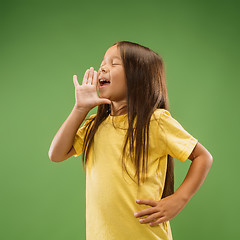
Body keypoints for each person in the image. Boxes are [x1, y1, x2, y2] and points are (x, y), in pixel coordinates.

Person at [48, 41, 213, 240]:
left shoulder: (155, 121)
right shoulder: (95, 124)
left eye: (114, 63)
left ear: (138, 77)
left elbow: (203, 157)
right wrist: (80, 109)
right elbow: (56, 154)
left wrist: (179, 199)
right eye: (102, 62)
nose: (102, 68)